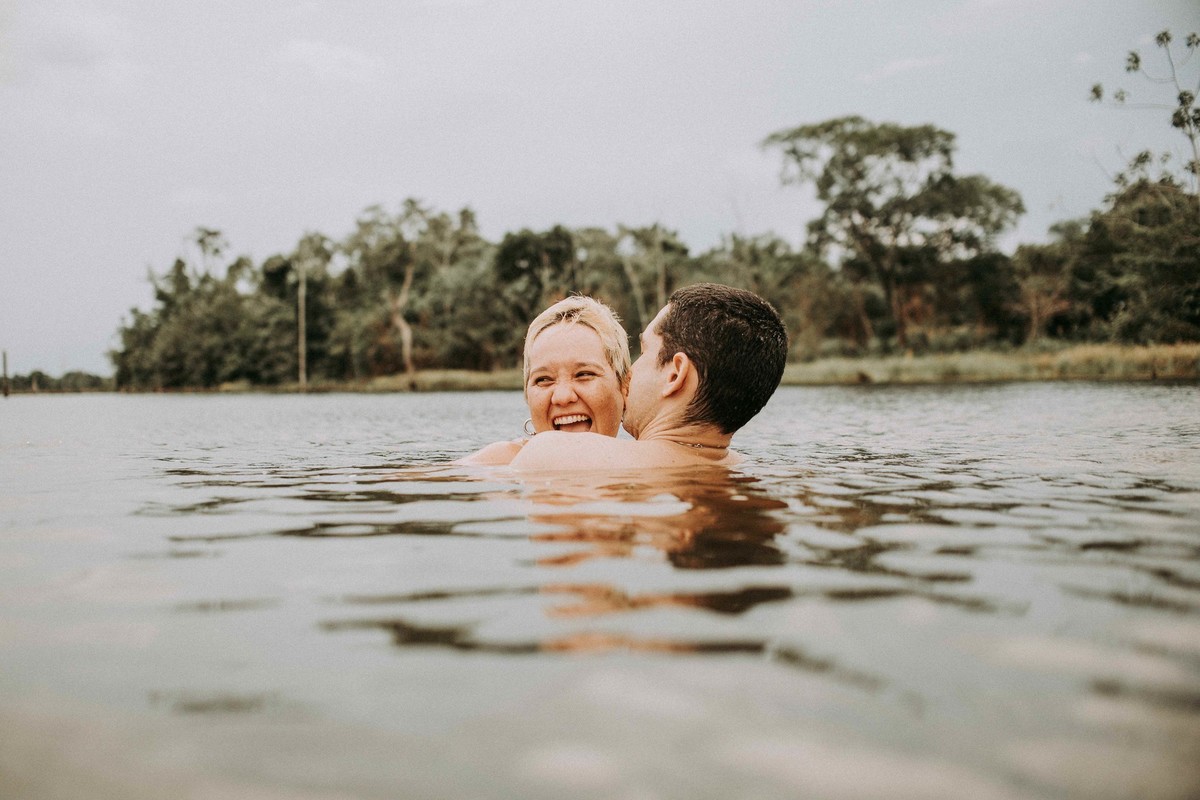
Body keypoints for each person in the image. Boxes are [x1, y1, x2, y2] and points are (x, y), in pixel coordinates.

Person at [509, 283, 787, 470]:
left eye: (644, 352)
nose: (629, 373)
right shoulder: (742, 468)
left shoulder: (552, 454)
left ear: (675, 374)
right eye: (543, 379)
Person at [459, 295, 631, 465]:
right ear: (527, 394)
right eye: (543, 379)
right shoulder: (500, 462)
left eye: (584, 375)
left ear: (625, 387)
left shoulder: (645, 461)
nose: (562, 397)